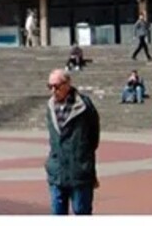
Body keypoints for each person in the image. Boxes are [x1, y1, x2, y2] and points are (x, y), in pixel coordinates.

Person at [45, 67, 100, 216]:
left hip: (79, 171)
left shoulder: (84, 106)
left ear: (67, 84)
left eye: (56, 86)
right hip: (57, 172)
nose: (53, 91)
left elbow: (93, 137)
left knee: (81, 211)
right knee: (57, 213)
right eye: (49, 86)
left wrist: (83, 156)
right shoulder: (50, 106)